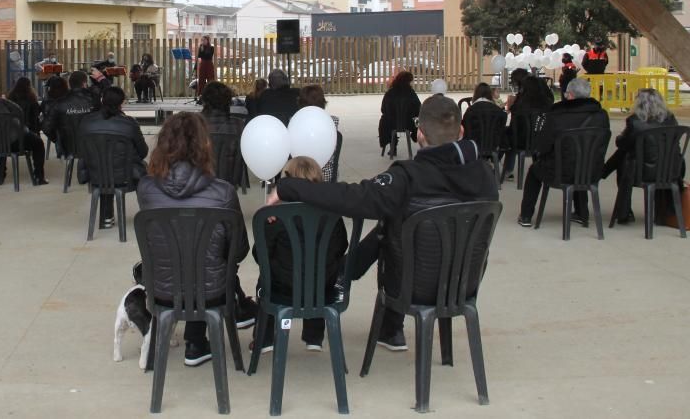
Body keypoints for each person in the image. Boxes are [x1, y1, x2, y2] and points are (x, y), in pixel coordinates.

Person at [268, 95, 498, 351]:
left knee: (389, 228)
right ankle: (378, 315)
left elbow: (353, 197)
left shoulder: (406, 178)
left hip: (409, 287)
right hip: (463, 284)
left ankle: (387, 322)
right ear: (461, 131)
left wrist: (291, 187)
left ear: (420, 134)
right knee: (400, 222)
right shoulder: (485, 175)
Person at [136, 112, 255, 367]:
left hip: (161, 291)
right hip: (212, 292)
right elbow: (239, 250)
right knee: (208, 264)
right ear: (205, 145)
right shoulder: (223, 192)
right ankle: (198, 340)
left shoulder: (146, 189)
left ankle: (195, 341)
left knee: (186, 259)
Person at [252, 156, 348, 354]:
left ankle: (266, 338)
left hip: (282, 289)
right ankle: (314, 337)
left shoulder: (274, 217)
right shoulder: (332, 216)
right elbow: (341, 247)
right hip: (322, 289)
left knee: (265, 279)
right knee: (317, 271)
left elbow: (259, 254)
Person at [517, 78, 610, 228]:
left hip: (560, 172)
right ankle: (581, 212)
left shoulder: (556, 115)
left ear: (570, 95)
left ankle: (526, 215)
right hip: (591, 171)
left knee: (535, 171)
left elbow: (542, 145)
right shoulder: (601, 115)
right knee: (580, 160)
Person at [603, 88, 679, 225]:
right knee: (625, 155)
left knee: (623, 158)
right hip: (669, 170)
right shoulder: (671, 119)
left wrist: (621, 135)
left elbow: (622, 143)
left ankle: (624, 211)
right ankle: (661, 212)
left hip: (641, 172)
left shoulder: (635, 121)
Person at [77, 86, 148, 229]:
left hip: (96, 175)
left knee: (105, 166)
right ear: (122, 103)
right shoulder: (129, 123)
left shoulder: (86, 122)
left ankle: (106, 217)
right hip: (125, 176)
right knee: (142, 167)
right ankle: (146, 213)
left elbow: (80, 150)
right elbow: (143, 152)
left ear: (102, 100)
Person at [4, 78, 48, 185]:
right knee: (39, 144)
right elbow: (36, 120)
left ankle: (0, 175)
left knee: (1, 145)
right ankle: (39, 177)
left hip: (7, 140)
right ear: (29, 87)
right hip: (24, 139)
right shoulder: (32, 100)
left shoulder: (8, 100)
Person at [42, 70, 99, 150]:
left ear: (69, 84)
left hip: (67, 145)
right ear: (84, 84)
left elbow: (46, 127)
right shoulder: (93, 101)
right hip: (90, 144)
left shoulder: (59, 103)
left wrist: (58, 140)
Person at [299, 84, 340, 181]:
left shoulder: (295, 122)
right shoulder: (333, 121)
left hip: (301, 178)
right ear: (323, 102)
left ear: (300, 103)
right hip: (327, 178)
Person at [377, 71, 421, 157]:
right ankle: (416, 135)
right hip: (409, 124)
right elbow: (418, 108)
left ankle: (392, 145)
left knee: (384, 120)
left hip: (391, 123)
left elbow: (383, 109)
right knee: (418, 120)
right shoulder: (411, 93)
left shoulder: (390, 93)